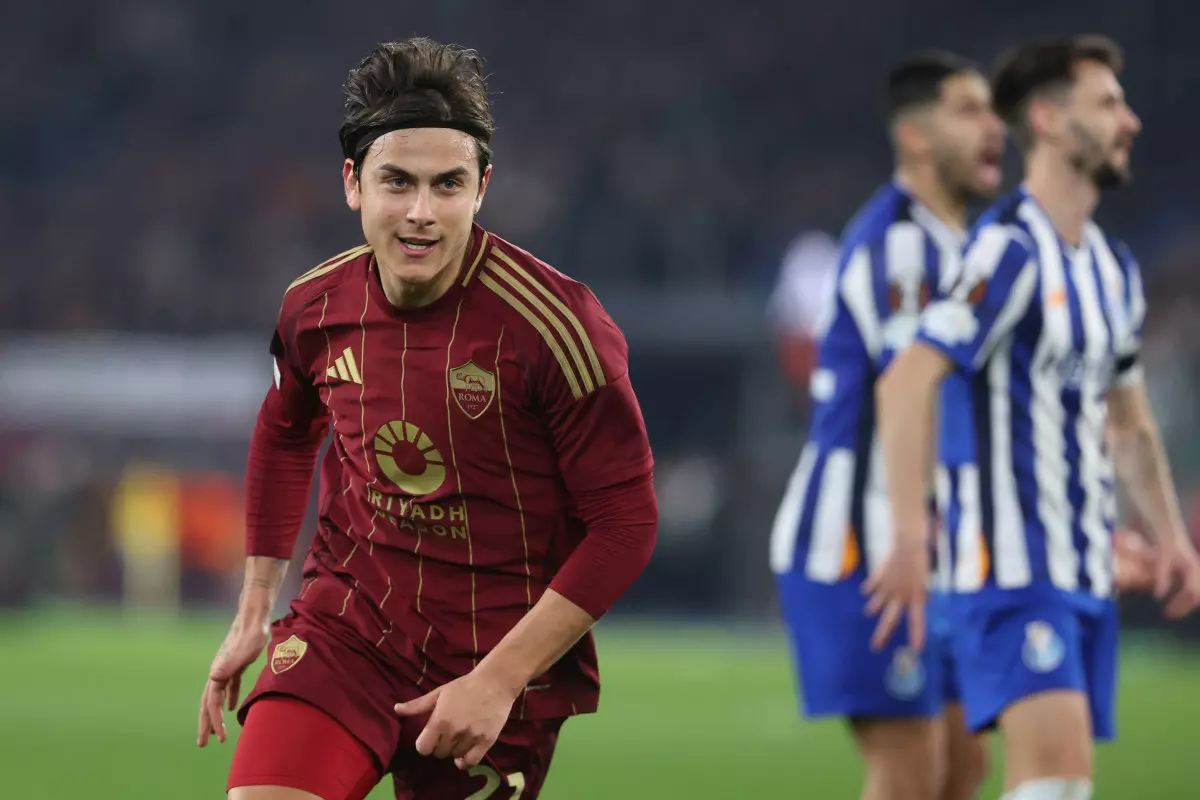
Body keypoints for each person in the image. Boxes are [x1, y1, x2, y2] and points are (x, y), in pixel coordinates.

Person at [196, 37, 658, 800]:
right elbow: (285, 430)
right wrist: (254, 610)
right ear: (353, 183)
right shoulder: (313, 307)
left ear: (482, 187)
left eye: (448, 185)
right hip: (345, 632)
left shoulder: (557, 328)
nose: (421, 213)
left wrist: (500, 680)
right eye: (397, 182)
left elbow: (626, 521)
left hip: (493, 661)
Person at [868, 35, 1200, 800]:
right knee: (1053, 784)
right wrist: (911, 535)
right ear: (1048, 120)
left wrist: (1171, 537)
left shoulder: (1112, 269)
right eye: (1108, 104)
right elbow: (907, 380)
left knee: (1057, 787)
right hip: (1012, 575)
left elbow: (1128, 425)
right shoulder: (1008, 252)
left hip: (1084, 572)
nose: (1129, 122)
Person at [769, 51, 1004, 800]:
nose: (993, 127)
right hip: (862, 543)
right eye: (968, 110)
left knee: (964, 765)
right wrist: (907, 533)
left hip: (935, 544)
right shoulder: (900, 247)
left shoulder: (965, 245)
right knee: (910, 770)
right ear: (915, 136)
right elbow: (908, 393)